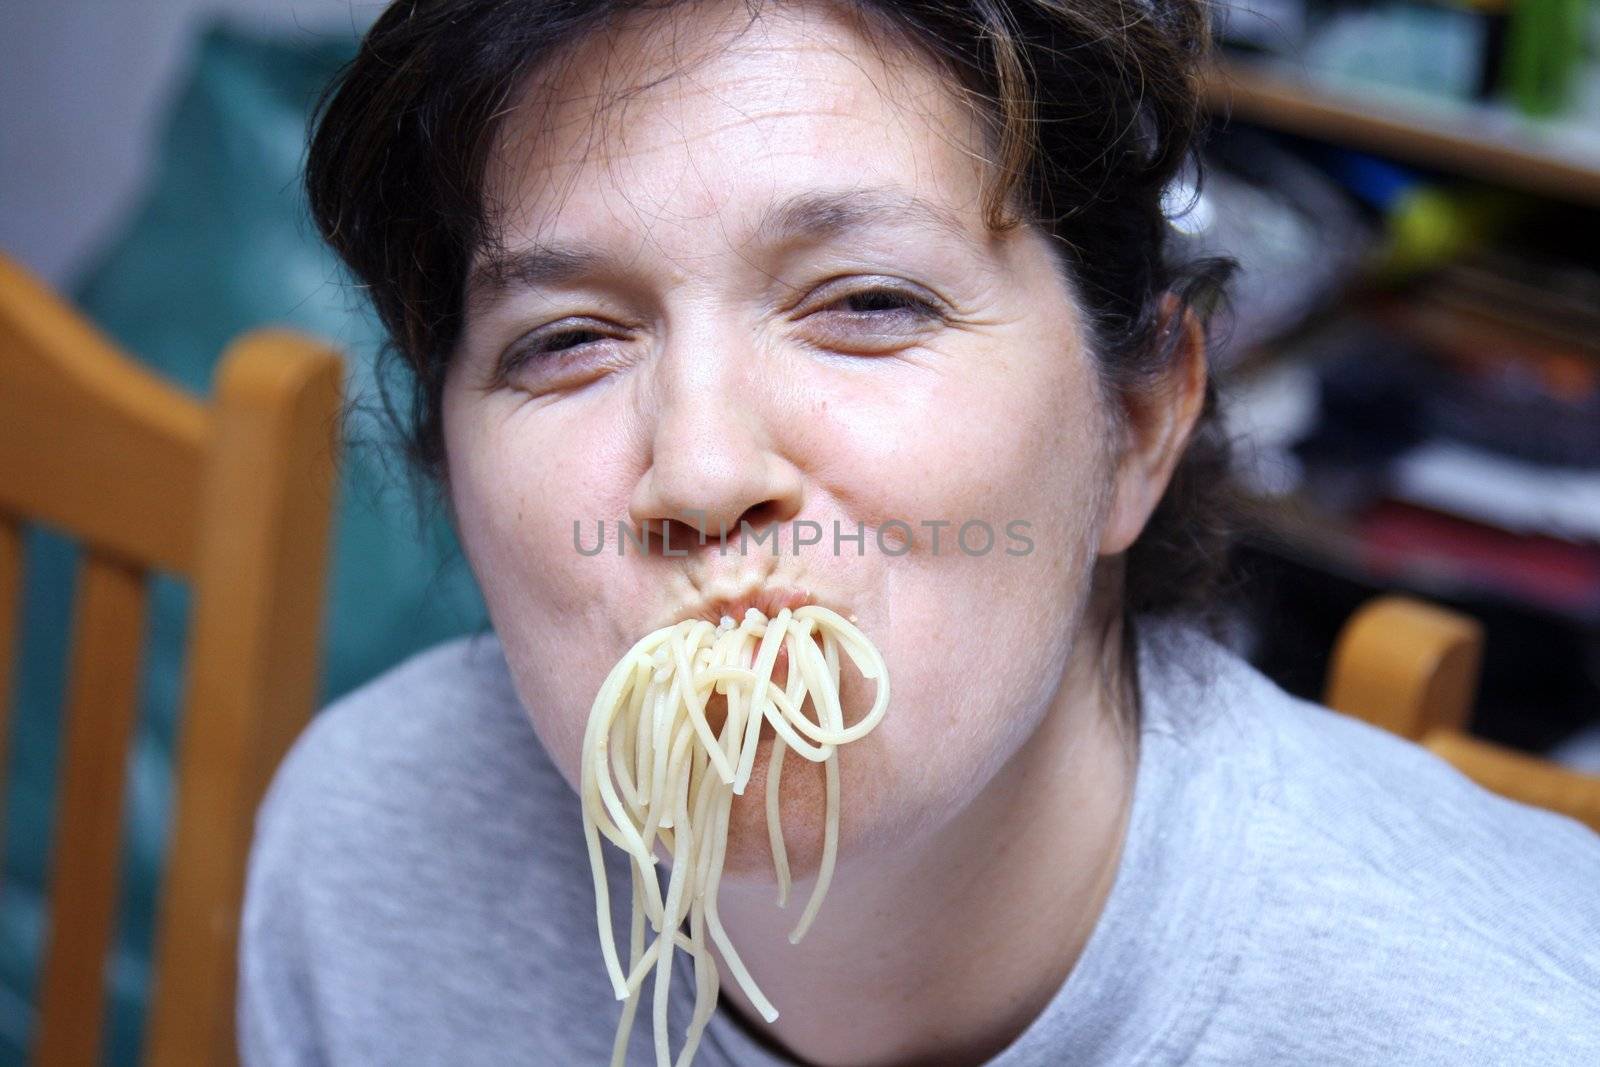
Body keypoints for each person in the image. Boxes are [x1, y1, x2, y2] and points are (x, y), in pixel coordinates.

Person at [240, 1, 1600, 1064]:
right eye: (569, 342)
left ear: (1138, 422)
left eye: (869, 302)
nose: (705, 471)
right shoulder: (365, 855)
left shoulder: (1509, 1027)